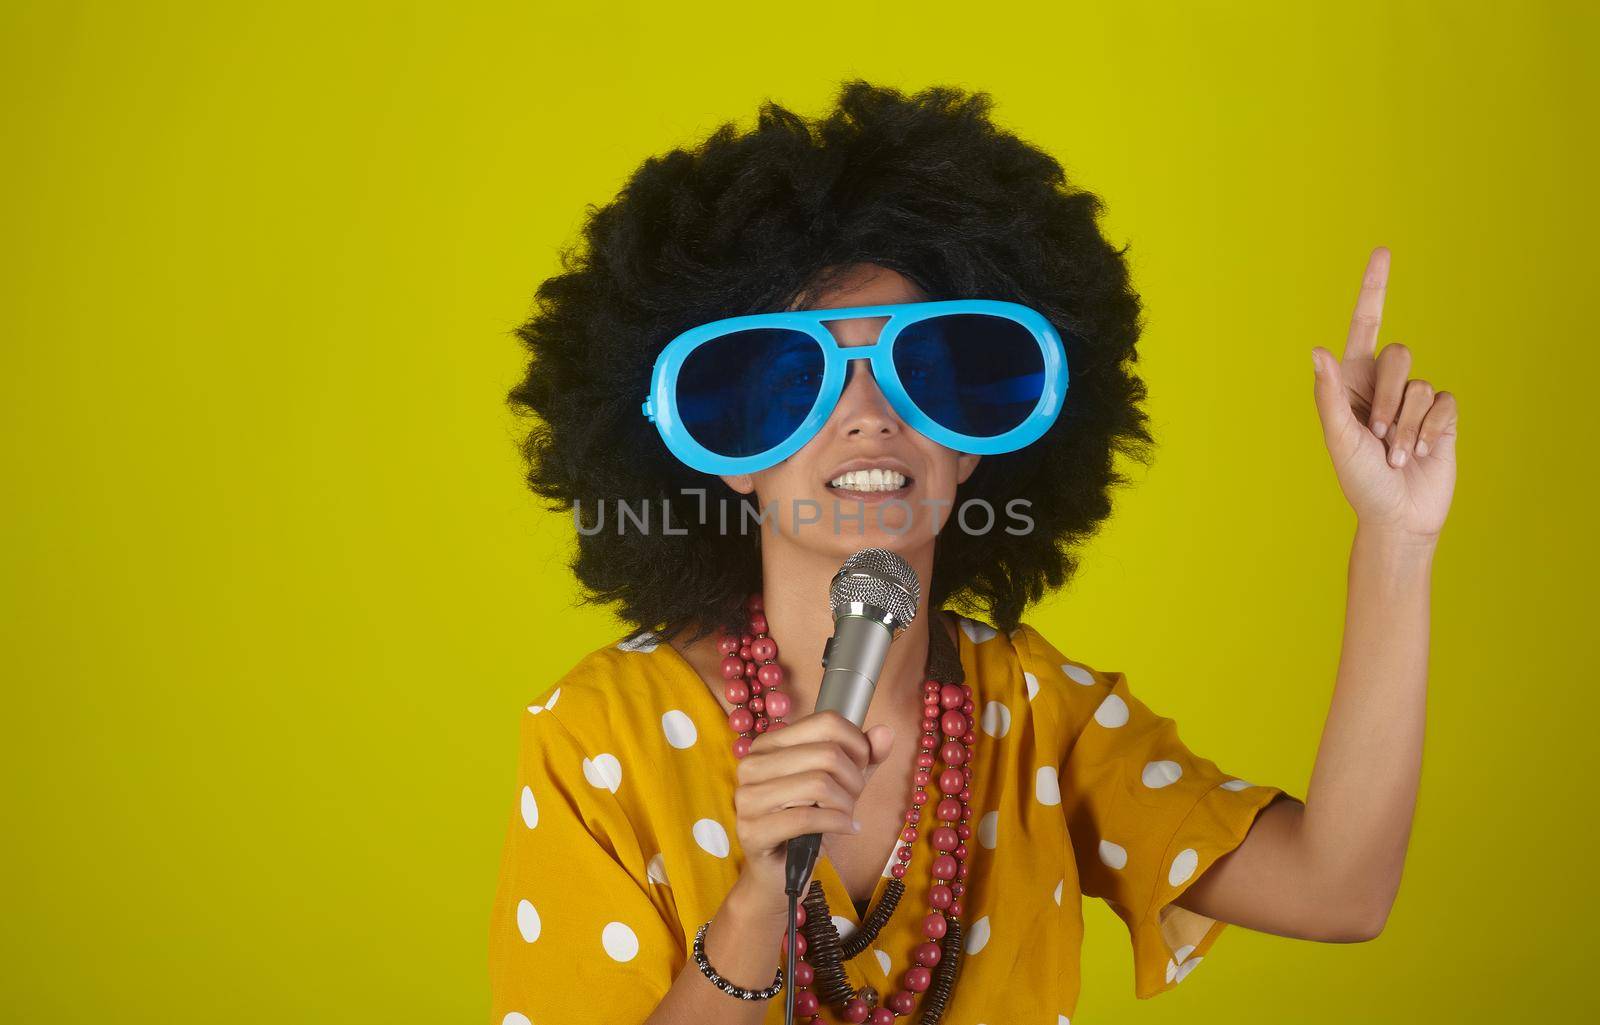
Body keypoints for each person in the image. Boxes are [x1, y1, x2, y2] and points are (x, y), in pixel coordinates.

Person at [487, 81, 1457, 1025]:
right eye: (794, 380)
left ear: (968, 443)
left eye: (924, 370)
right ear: (732, 455)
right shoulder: (598, 738)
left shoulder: (1040, 715)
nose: (867, 417)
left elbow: (1339, 889)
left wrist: (1396, 537)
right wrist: (754, 905)